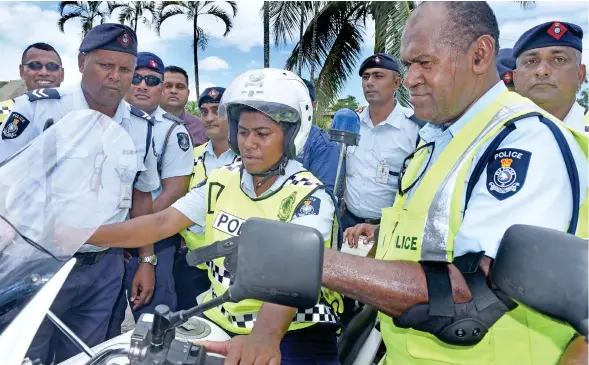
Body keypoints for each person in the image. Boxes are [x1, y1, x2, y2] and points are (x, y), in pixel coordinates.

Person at [319, 2, 587, 365]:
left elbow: (466, 294)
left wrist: (314, 263)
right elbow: (437, 236)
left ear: (479, 55)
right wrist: (383, 235)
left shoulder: (524, 141)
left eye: (424, 63)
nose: (410, 78)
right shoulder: (440, 135)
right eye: (408, 64)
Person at [89, 68, 344, 365]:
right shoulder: (222, 179)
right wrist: (86, 234)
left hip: (291, 333)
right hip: (222, 320)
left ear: (290, 136)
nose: (249, 144)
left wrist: (264, 337)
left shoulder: (310, 197)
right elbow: (162, 222)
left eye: (262, 134)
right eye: (244, 132)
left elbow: (291, 274)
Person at [0, 24, 160, 363]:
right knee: (27, 354)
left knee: (85, 356)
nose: (116, 77)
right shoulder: (38, 111)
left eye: (125, 70)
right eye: (106, 65)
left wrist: (146, 260)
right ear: (81, 62)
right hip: (38, 263)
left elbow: (141, 196)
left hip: (103, 267)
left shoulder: (142, 127)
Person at [107, 52, 194, 338]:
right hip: (107, 239)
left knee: (154, 321)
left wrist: (134, 231)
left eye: (152, 80)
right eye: (136, 78)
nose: (142, 85)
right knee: (105, 318)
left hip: (155, 239)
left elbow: (175, 189)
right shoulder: (106, 121)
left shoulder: (171, 130)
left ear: (160, 87)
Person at [340, 53, 422, 235]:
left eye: (378, 76)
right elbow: (344, 170)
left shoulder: (415, 129)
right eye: (365, 77)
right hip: (347, 222)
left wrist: (384, 229)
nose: (369, 82)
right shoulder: (352, 123)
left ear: (397, 83)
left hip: (389, 230)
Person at [174, 86, 239, 311]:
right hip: (194, 264)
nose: (209, 118)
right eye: (204, 112)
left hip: (234, 267)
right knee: (191, 328)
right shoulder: (189, 157)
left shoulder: (250, 159)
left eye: (217, 111)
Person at [513, 21, 586, 134]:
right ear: (515, 79)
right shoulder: (493, 137)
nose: (542, 71)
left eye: (558, 60)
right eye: (530, 61)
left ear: (580, 75)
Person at [1, 43, 64, 125]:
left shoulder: (75, 112)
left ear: (62, 74)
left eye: (52, 66)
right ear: (22, 71)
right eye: (35, 65)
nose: (44, 73)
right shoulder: (3, 112)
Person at [297, 79, 341, 195]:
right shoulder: (269, 133)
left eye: (301, 99)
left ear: (313, 105)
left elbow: (324, 195)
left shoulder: (323, 144)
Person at [161, 65, 207, 146]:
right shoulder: (144, 123)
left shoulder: (201, 127)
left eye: (180, 87)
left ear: (188, 93)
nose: (173, 91)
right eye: (168, 86)